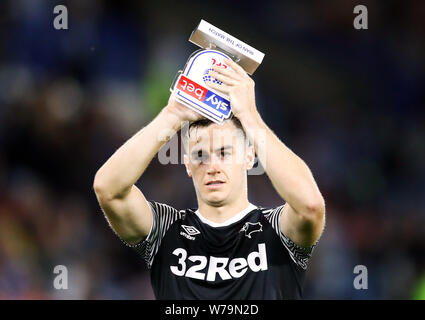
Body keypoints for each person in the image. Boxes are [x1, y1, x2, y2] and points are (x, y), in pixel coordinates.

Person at [93, 58, 326, 299]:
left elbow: (309, 205)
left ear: (249, 157)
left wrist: (251, 118)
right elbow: (108, 189)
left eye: (224, 153)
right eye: (200, 155)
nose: (212, 167)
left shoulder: (276, 231)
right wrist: (172, 114)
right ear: (187, 165)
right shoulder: (167, 231)